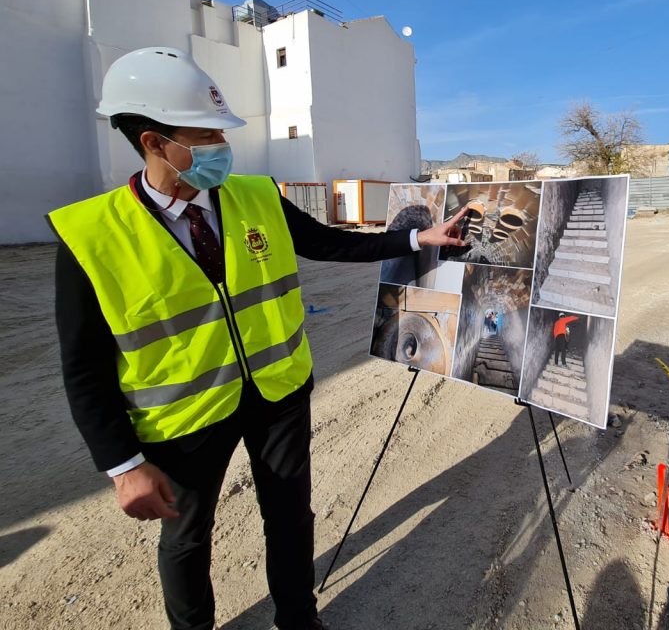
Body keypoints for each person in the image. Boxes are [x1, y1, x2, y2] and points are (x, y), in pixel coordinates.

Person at [49, 47, 467, 630]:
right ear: (153, 141)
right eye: (207, 135)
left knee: (291, 518)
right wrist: (124, 465)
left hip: (278, 393)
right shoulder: (90, 234)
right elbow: (84, 368)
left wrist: (418, 241)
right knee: (188, 540)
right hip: (185, 420)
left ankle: (299, 617)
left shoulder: (257, 196)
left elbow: (330, 243)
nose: (222, 148)